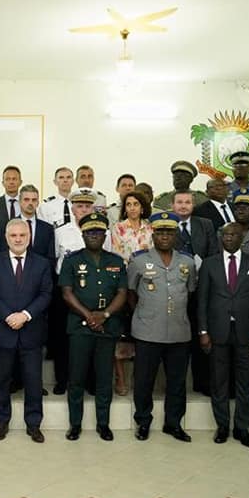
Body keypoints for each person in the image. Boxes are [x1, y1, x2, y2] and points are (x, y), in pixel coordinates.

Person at [197, 222, 249, 448]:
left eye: (233, 235)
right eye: (225, 234)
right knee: (219, 383)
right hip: (217, 333)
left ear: (242, 237)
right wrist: (203, 331)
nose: (228, 238)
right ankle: (222, 426)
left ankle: (242, 428)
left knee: (245, 384)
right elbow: (202, 302)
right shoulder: (209, 264)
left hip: (247, 335)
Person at [128, 212, 197, 443]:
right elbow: (131, 294)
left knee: (177, 382)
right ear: (153, 234)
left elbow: (191, 291)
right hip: (147, 330)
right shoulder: (138, 260)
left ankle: (173, 423)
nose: (165, 236)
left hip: (179, 331)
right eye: (160, 232)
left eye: (169, 232)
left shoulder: (187, 261)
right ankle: (143, 422)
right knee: (143, 381)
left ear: (176, 235)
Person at [0, 219, 53, 443]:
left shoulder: (42, 264)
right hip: (2, 331)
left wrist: (25, 315)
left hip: (31, 331)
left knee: (33, 381)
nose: (18, 239)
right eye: (13, 235)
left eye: (22, 235)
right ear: (6, 237)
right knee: (1, 381)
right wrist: (8, 316)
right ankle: (2, 422)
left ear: (29, 237)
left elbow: (45, 294)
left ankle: (33, 424)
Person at [60, 213, 127, 441]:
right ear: (83, 234)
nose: (94, 236)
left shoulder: (116, 261)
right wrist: (90, 316)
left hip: (108, 327)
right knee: (77, 378)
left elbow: (122, 293)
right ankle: (75, 424)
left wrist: (105, 315)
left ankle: (103, 424)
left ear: (105, 235)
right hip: (80, 327)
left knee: (103, 378)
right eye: (90, 232)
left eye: (98, 232)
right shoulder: (72, 261)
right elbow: (67, 293)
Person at [51, 188, 111, 395]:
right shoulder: (60, 231)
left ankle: (90, 380)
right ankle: (63, 379)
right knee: (62, 337)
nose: (84, 209)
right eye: (79, 206)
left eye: (87, 205)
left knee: (91, 336)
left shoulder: (105, 232)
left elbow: (107, 260)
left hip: (94, 290)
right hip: (66, 290)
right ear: (72, 208)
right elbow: (55, 261)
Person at [172, 190, 220, 397]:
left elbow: (213, 253)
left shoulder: (205, 224)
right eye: (179, 202)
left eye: (187, 202)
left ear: (193, 205)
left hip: (202, 289)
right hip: (175, 289)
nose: (183, 206)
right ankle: (177, 385)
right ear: (173, 205)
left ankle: (202, 382)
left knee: (202, 334)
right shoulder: (166, 224)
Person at [108, 190, 152, 396]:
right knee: (120, 332)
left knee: (142, 333)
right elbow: (116, 257)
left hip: (147, 286)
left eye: (136, 204)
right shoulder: (117, 229)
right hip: (123, 285)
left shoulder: (151, 228)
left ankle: (140, 378)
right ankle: (120, 377)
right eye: (129, 204)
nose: (132, 208)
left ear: (142, 207)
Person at [4, 184, 55, 259]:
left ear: (38, 202)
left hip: (41, 269)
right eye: (26, 199)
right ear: (20, 201)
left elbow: (51, 258)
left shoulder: (47, 228)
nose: (30, 203)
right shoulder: (9, 225)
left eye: (34, 200)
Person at [0, 165, 23, 236]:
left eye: (14, 179)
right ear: (3, 183)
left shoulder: (27, 202)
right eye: (8, 179)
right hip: (0, 246)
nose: (11, 182)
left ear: (20, 182)